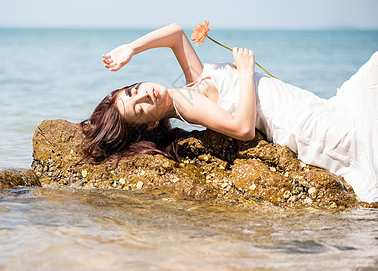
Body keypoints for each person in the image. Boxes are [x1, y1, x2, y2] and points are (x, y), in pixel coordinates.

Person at [81, 23, 378, 203]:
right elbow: (243, 129)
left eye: (134, 91)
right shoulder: (186, 104)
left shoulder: (190, 84)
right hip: (307, 127)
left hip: (317, 107)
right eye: (139, 107)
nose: (146, 94)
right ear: (151, 124)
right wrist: (246, 72)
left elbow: (176, 33)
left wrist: (131, 48)